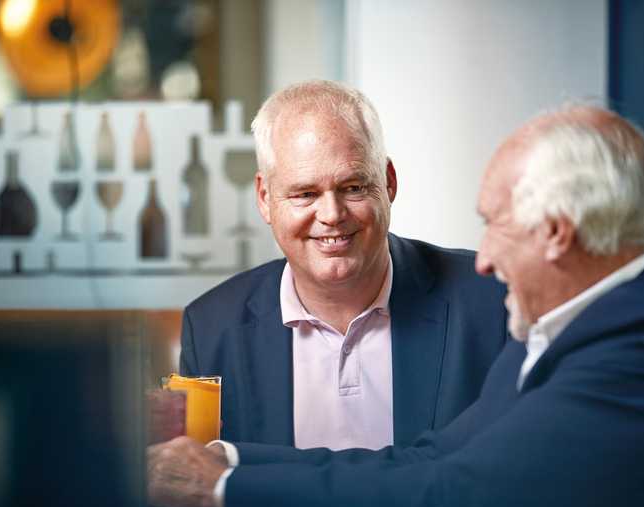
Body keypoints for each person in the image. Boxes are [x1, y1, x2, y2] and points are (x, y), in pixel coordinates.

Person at [147, 104, 644, 507]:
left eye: (496, 226)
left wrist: (221, 489)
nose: (484, 259)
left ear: (555, 234)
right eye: (304, 193)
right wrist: (227, 460)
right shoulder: (584, 327)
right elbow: (428, 457)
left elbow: (458, 491)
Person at [178, 80, 507, 449]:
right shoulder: (211, 329)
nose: (332, 215)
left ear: (389, 182)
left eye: (353, 187)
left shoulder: (492, 300)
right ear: (265, 198)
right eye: (305, 194)